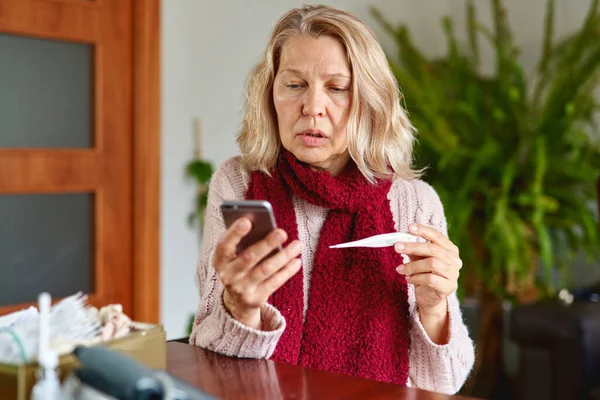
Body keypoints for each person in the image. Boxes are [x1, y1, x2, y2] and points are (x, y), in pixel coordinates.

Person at [190, 4, 475, 395]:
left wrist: (434, 307)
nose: (312, 107)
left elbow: (444, 383)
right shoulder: (238, 184)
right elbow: (208, 359)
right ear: (270, 93)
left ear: (370, 102)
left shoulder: (416, 204)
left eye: (337, 88)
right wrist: (239, 309)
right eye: (294, 85)